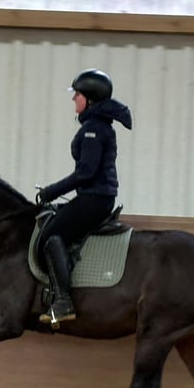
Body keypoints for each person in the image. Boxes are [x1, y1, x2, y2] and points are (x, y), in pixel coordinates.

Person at [36, 68, 133, 325]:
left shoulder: (94, 129)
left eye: (77, 94)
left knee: (50, 237)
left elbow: (85, 173)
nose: (73, 99)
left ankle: (63, 301)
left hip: (95, 198)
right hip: (97, 196)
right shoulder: (96, 125)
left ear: (89, 98)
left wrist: (50, 191)